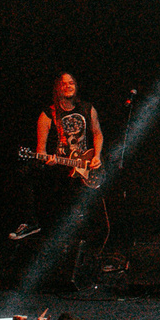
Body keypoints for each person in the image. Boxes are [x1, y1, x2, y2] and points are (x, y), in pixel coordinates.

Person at [30, 72, 105, 268]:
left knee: (88, 219)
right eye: (64, 84)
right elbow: (40, 152)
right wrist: (49, 160)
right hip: (61, 177)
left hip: (86, 171)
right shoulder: (48, 115)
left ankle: (86, 261)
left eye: (71, 82)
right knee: (61, 219)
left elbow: (97, 134)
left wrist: (96, 156)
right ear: (58, 88)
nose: (68, 86)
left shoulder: (87, 109)